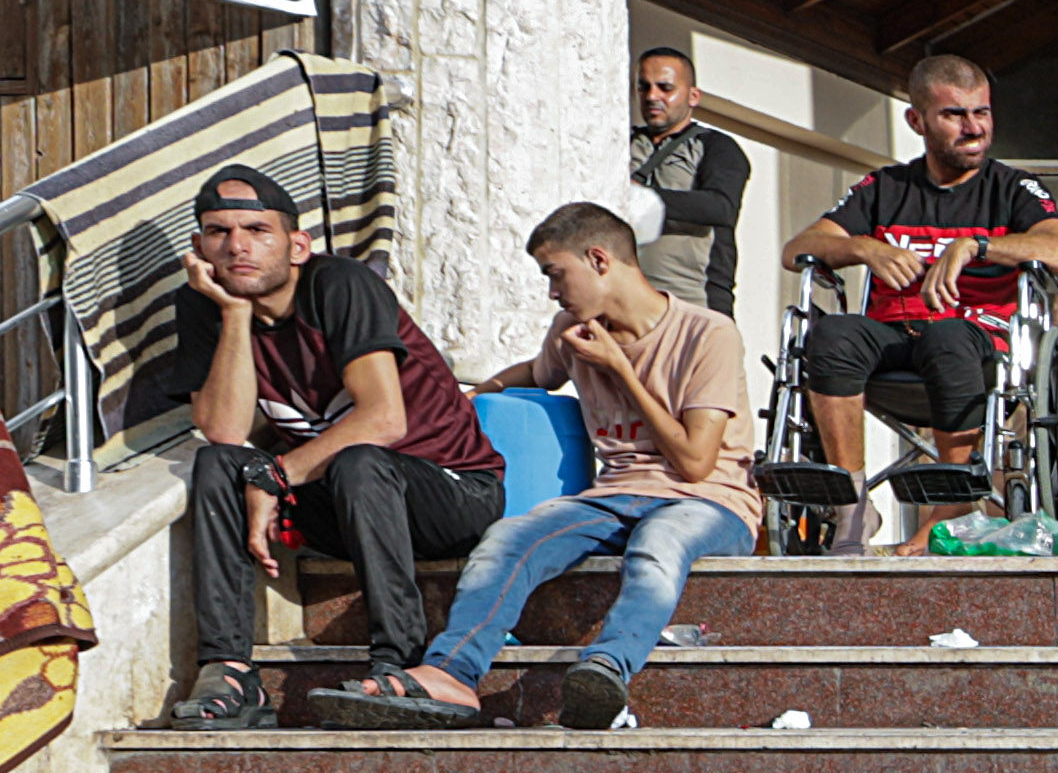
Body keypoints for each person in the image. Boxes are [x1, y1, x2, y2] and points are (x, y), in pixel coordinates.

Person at [326, 207, 763, 734]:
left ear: (599, 260)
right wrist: (469, 399)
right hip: (615, 496)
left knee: (659, 545)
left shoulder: (707, 333)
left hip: (710, 502)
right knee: (508, 538)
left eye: (555, 274)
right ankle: (450, 673)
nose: (552, 293)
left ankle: (603, 670)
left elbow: (695, 463)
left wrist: (619, 369)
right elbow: (536, 373)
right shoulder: (573, 330)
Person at [147, 163, 500, 730]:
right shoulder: (206, 303)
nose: (237, 246)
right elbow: (225, 431)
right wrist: (234, 313)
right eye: (219, 232)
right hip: (339, 500)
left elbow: (383, 418)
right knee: (216, 464)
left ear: (297, 245)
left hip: (450, 491)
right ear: (199, 245)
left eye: (257, 230)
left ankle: (400, 663)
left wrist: (275, 476)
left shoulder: (340, 285)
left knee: (361, 461)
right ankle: (231, 670)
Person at [781, 49, 1058, 554]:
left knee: (948, 337)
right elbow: (797, 250)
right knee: (830, 333)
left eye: (981, 112)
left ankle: (951, 511)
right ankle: (852, 510)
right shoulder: (885, 187)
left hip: (978, 340)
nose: (974, 127)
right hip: (893, 337)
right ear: (916, 120)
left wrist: (976, 246)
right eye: (954, 114)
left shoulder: (1012, 187)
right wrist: (862, 247)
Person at [624, 40, 752, 313]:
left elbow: (722, 208)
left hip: (692, 303)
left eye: (665, 88)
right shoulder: (622, 141)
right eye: (643, 87)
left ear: (693, 96)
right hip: (624, 302)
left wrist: (639, 197)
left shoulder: (716, 146)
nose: (651, 96)